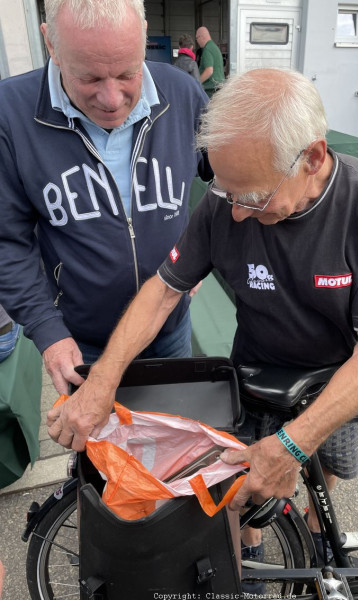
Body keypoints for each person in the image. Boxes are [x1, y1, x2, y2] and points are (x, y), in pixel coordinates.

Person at [47, 68, 358, 563]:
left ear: (313, 158)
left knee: (330, 466)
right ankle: (255, 552)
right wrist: (100, 383)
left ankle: (315, 528)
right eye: (225, 190)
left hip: (339, 377)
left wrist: (293, 446)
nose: (236, 212)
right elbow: (161, 292)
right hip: (258, 366)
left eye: (254, 198)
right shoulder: (226, 201)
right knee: (243, 483)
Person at [0, 0, 212, 395]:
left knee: (176, 443)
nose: (112, 99)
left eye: (128, 72)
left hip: (170, 327)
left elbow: (229, 180)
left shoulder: (182, 92)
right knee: (107, 450)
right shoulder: (9, 114)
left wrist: (202, 251)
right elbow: (6, 242)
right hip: (85, 343)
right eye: (90, 78)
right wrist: (47, 331)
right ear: (51, 45)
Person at [195, 26, 225, 97]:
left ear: (202, 36)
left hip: (211, 90)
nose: (197, 41)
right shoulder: (214, 47)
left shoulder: (207, 49)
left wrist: (197, 83)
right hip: (218, 87)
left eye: (197, 38)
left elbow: (209, 71)